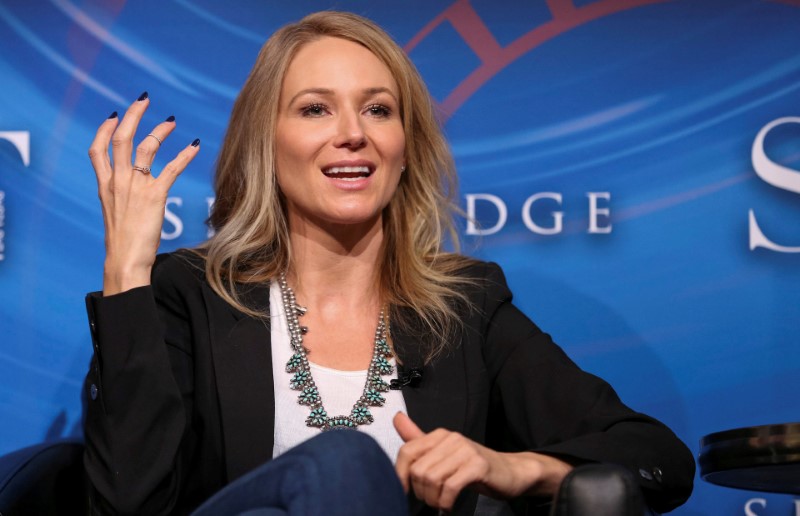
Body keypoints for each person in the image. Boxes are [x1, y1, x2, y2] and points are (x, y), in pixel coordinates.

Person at [83, 10, 695, 516]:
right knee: (344, 457)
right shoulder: (190, 293)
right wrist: (126, 277)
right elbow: (129, 502)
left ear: (406, 149)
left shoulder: (465, 306)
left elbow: (656, 456)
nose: (354, 133)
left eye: (378, 109)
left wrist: (510, 466)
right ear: (265, 146)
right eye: (315, 109)